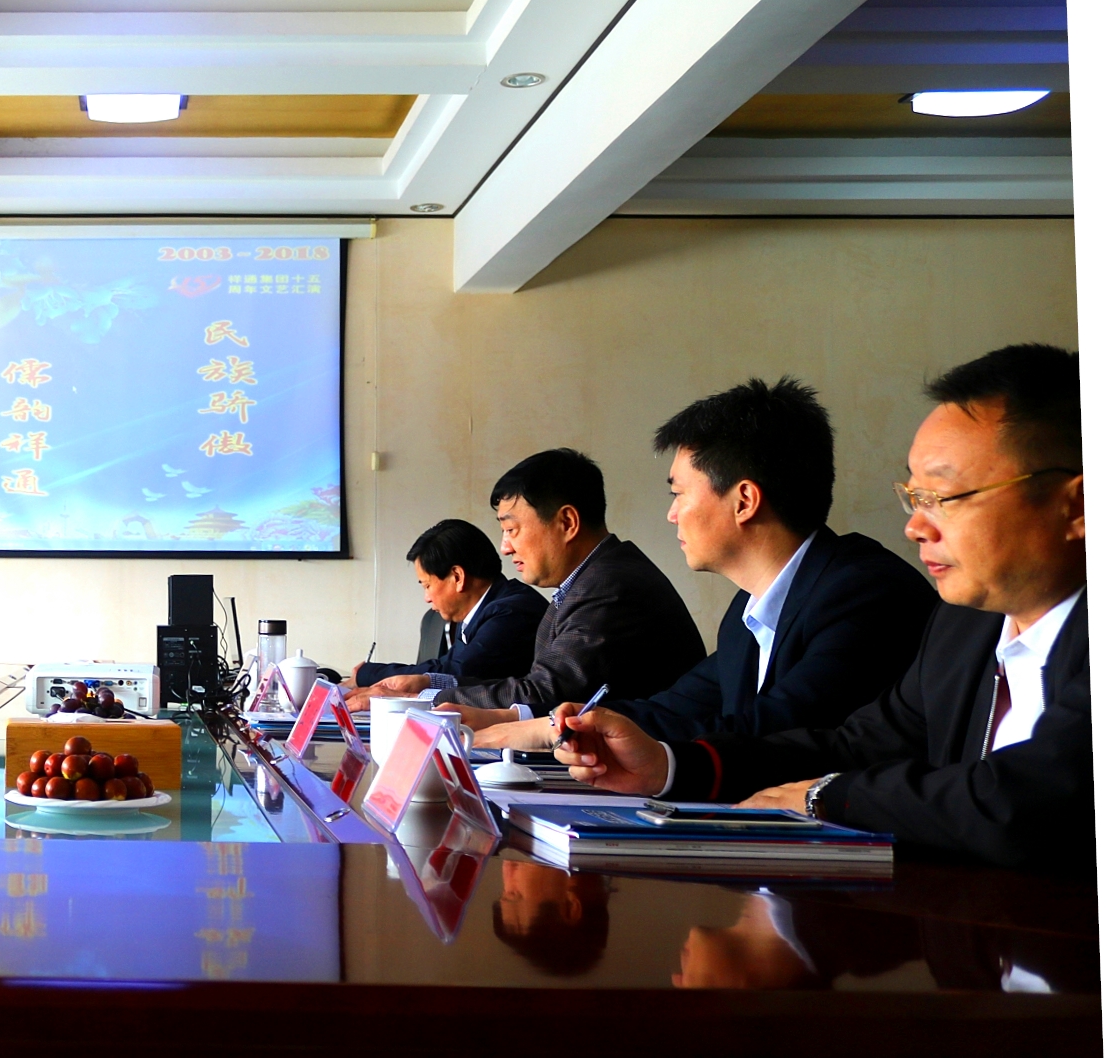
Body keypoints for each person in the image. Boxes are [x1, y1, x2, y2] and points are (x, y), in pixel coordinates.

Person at [556, 345, 1089, 870]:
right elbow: (857, 746)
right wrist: (669, 766)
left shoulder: (873, 591)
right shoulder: (965, 625)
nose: (914, 527)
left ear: (1077, 506)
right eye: (913, 497)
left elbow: (1026, 799)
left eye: (943, 498)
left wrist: (825, 797)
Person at [469, 379, 937, 746]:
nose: (671, 514)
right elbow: (674, 708)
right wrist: (560, 724)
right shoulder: (746, 614)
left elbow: (775, 729)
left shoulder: (866, 594)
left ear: (744, 501)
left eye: (678, 493)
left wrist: (549, 730)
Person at [349, 449, 704, 714]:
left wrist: (420, 697)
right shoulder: (588, 581)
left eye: (512, 529)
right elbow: (532, 685)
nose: (505, 547)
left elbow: (544, 693)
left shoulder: (610, 586)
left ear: (567, 523)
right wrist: (429, 682)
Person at [352, 518, 546, 688]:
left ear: (457, 577)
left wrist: (368, 674)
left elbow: (455, 673)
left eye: (427, 585)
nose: (427, 598)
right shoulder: (477, 610)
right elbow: (447, 665)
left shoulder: (512, 612)